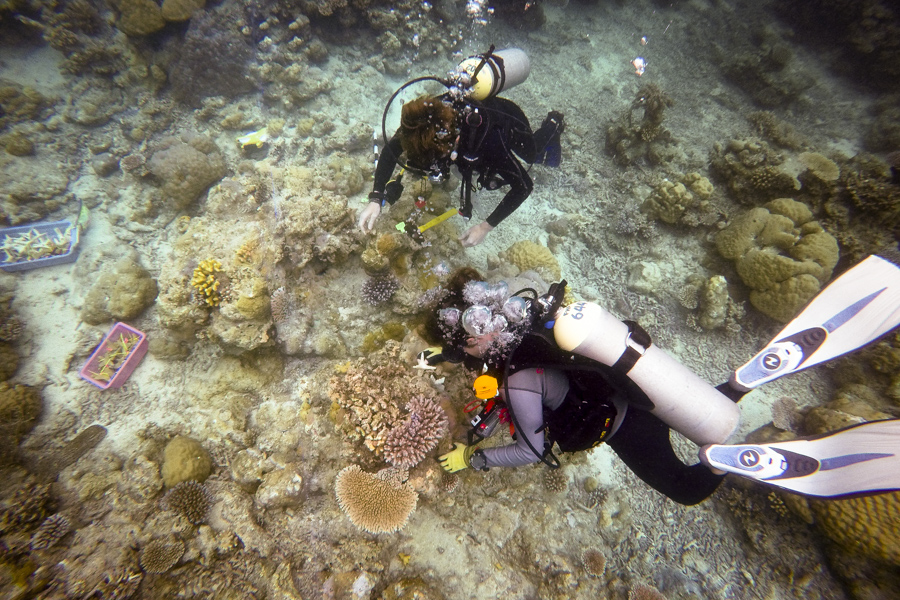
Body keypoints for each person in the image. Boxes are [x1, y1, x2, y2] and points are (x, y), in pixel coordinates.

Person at [423, 268, 728, 506]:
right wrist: (445, 354)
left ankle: (724, 461)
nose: (463, 358)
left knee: (685, 489)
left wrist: (472, 458)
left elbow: (531, 451)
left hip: (626, 426)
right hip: (638, 385)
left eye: (460, 350)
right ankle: (733, 391)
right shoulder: (521, 312)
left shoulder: (517, 380)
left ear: (472, 336)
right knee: (694, 412)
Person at [358, 94, 565, 247]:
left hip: (507, 121)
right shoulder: (417, 126)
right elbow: (390, 151)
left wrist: (484, 227)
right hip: (465, 135)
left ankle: (553, 124)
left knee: (532, 155)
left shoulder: (489, 142)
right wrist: (376, 197)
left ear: (453, 143)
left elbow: (524, 186)